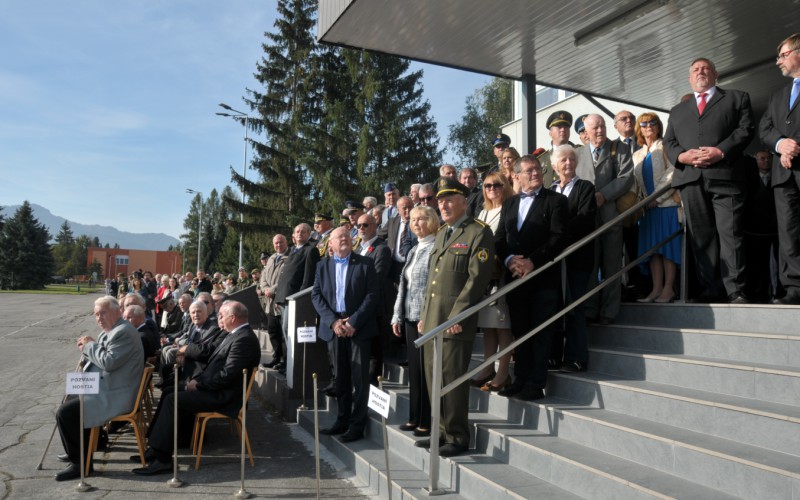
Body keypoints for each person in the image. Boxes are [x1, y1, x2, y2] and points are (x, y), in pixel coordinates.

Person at [664, 57, 754, 303]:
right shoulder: (677, 111)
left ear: (716, 74)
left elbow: (745, 129)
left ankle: (735, 290)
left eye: (705, 68)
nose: (700, 72)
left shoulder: (737, 98)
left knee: (730, 233)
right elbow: (669, 142)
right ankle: (711, 289)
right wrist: (682, 156)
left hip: (726, 176)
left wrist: (721, 151)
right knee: (701, 236)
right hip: (691, 179)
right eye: (695, 69)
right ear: (689, 78)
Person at [416, 177, 495, 457]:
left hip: (455, 320)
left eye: (449, 200)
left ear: (464, 202)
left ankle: (457, 435)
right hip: (433, 319)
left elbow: (477, 279)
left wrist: (458, 315)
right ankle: (439, 431)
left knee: (452, 377)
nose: (444, 205)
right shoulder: (442, 233)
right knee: (432, 376)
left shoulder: (478, 232)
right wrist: (424, 315)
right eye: (440, 201)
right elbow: (433, 280)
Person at [495, 155, 567, 401]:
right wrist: (509, 260)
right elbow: (499, 238)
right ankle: (520, 379)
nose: (536, 173)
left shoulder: (556, 201)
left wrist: (532, 262)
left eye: (538, 169)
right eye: (529, 170)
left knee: (541, 333)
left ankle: (536, 384)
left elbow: (558, 238)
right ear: (516, 176)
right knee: (521, 331)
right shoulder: (509, 204)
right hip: (515, 278)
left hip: (543, 278)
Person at [54, 296, 144, 481]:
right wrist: (88, 349)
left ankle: (81, 464)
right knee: (69, 399)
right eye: (96, 314)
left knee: (66, 412)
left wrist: (90, 346)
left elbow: (108, 362)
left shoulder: (124, 332)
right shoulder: (109, 331)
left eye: (103, 313)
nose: (99, 318)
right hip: (106, 386)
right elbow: (99, 357)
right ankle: (82, 451)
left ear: (117, 312)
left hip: (116, 393)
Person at [312, 227, 380, 443]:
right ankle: (342, 420)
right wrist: (333, 321)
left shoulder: (365, 263)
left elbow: (372, 295)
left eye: (347, 236)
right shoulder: (322, 266)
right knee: (340, 377)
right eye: (339, 236)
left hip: (359, 327)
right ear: (330, 243)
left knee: (360, 378)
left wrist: (353, 322)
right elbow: (316, 296)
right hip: (334, 328)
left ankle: (357, 425)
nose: (344, 239)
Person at [576, 113, 634, 324]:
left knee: (611, 265)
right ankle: (590, 309)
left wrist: (603, 195)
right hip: (587, 219)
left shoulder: (620, 149)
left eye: (602, 126)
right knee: (590, 266)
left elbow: (626, 178)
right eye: (595, 128)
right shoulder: (578, 153)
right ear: (586, 131)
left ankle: (609, 311)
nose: (600, 130)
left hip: (611, 216)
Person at [759, 33, 800, 304]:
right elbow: (765, 128)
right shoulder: (777, 96)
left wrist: (793, 146)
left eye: (783, 55)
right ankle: (795, 287)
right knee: (788, 231)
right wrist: (780, 144)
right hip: (783, 176)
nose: (778, 62)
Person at [391, 205, 439, 437]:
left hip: (426, 320)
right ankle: (414, 416)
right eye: (413, 220)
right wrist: (396, 315)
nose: (416, 223)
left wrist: (427, 316)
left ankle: (427, 420)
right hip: (409, 318)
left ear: (431, 220)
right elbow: (404, 286)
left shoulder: (436, 247)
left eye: (421, 219)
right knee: (414, 371)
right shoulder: (413, 250)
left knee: (425, 371)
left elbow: (434, 287)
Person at [549, 145, 597, 372]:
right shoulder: (549, 190)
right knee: (554, 307)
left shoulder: (585, 187)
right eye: (563, 160)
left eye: (571, 159)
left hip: (577, 257)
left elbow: (585, 219)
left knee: (575, 307)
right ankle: (553, 355)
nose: (568, 163)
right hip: (554, 260)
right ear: (554, 166)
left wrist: (557, 235)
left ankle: (576, 358)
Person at [470, 171, 515, 391]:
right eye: (487, 186)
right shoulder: (482, 212)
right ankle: (487, 368)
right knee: (488, 325)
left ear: (505, 186)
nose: (492, 189)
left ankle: (503, 372)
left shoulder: (510, 208)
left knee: (502, 324)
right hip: (484, 276)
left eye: (496, 185)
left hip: (501, 274)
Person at [632, 112, 682, 304]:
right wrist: (644, 202)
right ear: (639, 129)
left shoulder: (665, 146)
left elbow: (673, 172)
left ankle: (669, 289)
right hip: (647, 209)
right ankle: (656, 289)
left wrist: (657, 197)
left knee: (667, 249)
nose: (648, 126)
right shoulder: (637, 154)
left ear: (659, 126)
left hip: (666, 205)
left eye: (652, 122)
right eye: (644, 124)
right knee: (652, 251)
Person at [744, 150, 780, 303]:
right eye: (762, 158)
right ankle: (756, 292)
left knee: (775, 262)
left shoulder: (777, 178)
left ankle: (775, 291)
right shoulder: (749, 179)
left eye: (768, 158)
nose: (766, 161)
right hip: (754, 229)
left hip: (774, 228)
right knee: (755, 262)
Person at [260, 236, 289, 369]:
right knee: (272, 330)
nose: (278, 245)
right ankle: (276, 357)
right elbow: (263, 277)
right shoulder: (272, 258)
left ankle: (285, 360)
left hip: (281, 299)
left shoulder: (290, 257)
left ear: (286, 242)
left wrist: (272, 290)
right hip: (270, 300)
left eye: (281, 242)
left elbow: (285, 278)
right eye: (276, 243)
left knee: (282, 332)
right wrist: (265, 289)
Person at [379, 195, 416, 284]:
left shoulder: (417, 222)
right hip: (394, 266)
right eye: (404, 208)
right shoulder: (392, 222)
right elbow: (379, 236)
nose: (408, 210)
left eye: (410, 207)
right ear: (398, 210)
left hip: (412, 265)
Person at [539, 110, 574, 187]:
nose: (563, 129)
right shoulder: (542, 159)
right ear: (550, 133)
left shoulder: (579, 153)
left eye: (566, 127)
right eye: (559, 127)